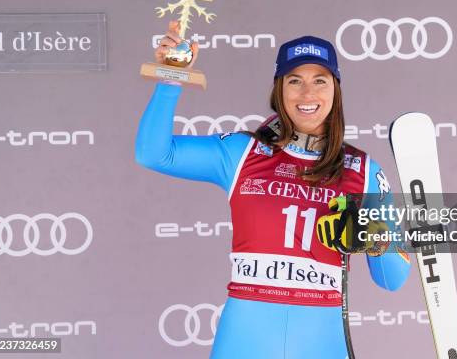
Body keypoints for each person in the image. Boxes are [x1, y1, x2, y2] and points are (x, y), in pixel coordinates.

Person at [135, 20, 411, 359]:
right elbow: (154, 153)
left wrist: (373, 236)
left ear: (335, 90)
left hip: (322, 343)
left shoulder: (363, 171)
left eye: (319, 81)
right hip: (245, 340)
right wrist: (170, 77)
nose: (307, 94)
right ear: (279, 90)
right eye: (294, 81)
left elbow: (393, 279)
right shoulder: (241, 152)